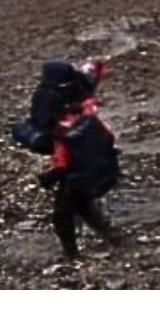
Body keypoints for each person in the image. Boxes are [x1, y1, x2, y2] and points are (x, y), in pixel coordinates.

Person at [35, 59, 121, 259]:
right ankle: (111, 236)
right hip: (98, 159)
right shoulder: (85, 103)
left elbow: (63, 161)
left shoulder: (63, 127)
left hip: (77, 170)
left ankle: (71, 254)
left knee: (62, 213)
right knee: (81, 204)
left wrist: (48, 177)